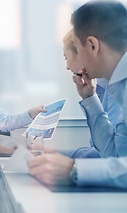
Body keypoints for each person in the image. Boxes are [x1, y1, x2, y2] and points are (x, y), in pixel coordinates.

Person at [28, 0, 127, 189]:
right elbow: (116, 156)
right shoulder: (125, 85)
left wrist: (76, 169)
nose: (72, 62)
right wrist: (90, 99)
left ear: (93, 46)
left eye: (76, 48)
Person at [46, 29, 122, 158]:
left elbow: (112, 154)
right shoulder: (99, 89)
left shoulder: (117, 88)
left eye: (66, 58)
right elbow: (100, 150)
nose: (67, 66)